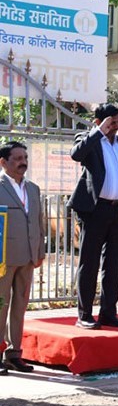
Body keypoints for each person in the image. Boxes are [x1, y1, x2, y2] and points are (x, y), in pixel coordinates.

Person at [68, 104, 118, 329]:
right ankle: (84, 314)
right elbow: (77, 154)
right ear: (99, 122)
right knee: (89, 264)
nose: (116, 126)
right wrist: (98, 131)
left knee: (113, 264)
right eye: (111, 122)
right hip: (95, 210)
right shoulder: (89, 139)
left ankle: (109, 312)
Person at [0, 141, 44, 373]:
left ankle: (14, 354)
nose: (22, 162)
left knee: (20, 306)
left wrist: (40, 252)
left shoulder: (33, 188)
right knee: (1, 306)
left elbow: (39, 223)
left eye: (24, 157)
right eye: (17, 158)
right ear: (3, 162)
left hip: (27, 257)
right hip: (3, 260)